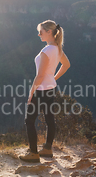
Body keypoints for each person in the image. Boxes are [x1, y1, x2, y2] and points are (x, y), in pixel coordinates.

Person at [19, 20, 70, 163]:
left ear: (49, 32)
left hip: (40, 90)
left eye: (40, 32)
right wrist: (53, 78)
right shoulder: (57, 49)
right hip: (51, 89)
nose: (38, 34)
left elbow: (40, 75)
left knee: (29, 120)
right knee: (49, 119)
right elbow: (66, 65)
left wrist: (31, 92)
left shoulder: (46, 51)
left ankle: (34, 153)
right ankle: (47, 149)